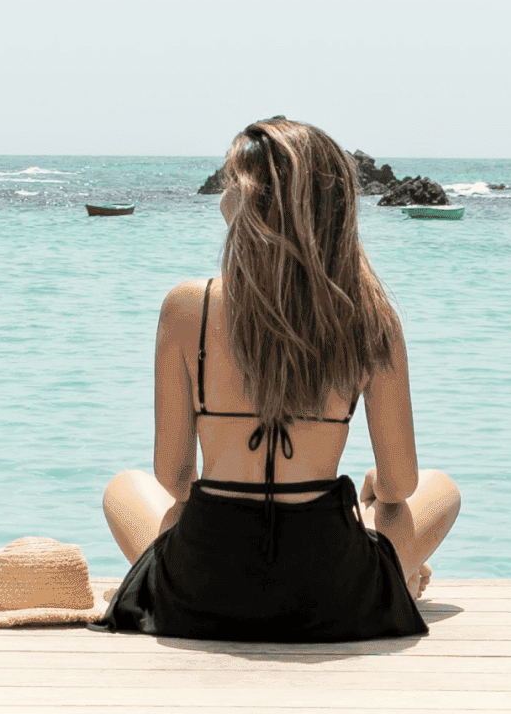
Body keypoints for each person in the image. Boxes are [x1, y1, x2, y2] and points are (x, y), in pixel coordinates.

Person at [96, 118, 460, 642]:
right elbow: (401, 485)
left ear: (243, 204)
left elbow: (175, 481)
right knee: (429, 492)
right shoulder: (371, 315)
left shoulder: (187, 307)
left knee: (126, 489)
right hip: (332, 592)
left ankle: (217, 583)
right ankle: (397, 577)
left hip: (204, 591)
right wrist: (375, 491)